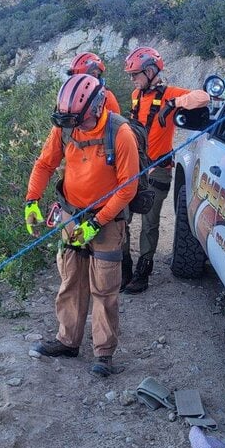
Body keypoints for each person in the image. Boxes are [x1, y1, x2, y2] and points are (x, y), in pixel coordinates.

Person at [25, 73, 139, 377]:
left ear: (97, 107)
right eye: (70, 121)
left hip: (108, 220)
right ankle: (68, 341)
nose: (74, 127)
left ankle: (104, 355)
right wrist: (31, 201)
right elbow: (45, 164)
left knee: (104, 288)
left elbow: (128, 188)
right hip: (72, 216)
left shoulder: (120, 133)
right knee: (71, 280)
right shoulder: (66, 127)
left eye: (80, 121)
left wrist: (97, 222)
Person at [120, 46, 210, 294]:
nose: (132, 79)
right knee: (122, 218)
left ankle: (143, 272)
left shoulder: (169, 93)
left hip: (159, 168)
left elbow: (203, 97)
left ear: (150, 71)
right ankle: (125, 266)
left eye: (135, 74)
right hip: (134, 168)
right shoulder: (136, 96)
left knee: (149, 222)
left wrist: (174, 103)